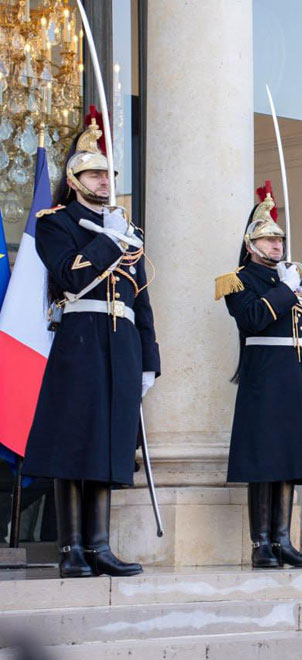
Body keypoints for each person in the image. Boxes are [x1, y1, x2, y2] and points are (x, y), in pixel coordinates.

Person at [22, 119, 160, 578]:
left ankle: (99, 546)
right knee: (72, 441)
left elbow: (140, 302)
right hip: (79, 341)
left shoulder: (127, 229)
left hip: (122, 346)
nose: (106, 182)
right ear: (74, 181)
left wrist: (150, 361)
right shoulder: (55, 223)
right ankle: (71, 549)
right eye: (96, 175)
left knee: (109, 443)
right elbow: (73, 274)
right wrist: (110, 240)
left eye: (109, 176)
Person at [214, 183, 302, 568]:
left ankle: (283, 540)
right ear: (251, 245)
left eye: (279, 239)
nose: (276, 244)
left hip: (300, 383)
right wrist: (284, 289)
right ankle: (261, 543)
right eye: (267, 239)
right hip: (265, 384)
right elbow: (253, 319)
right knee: (264, 465)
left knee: (290, 463)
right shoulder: (239, 280)